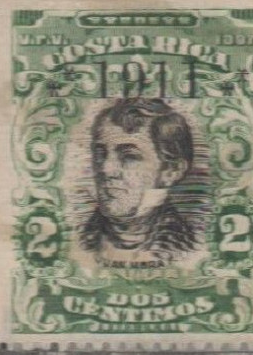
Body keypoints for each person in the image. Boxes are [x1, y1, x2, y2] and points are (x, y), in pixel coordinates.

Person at [79, 98, 205, 270]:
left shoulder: (189, 247)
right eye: (100, 154)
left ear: (171, 170)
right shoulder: (81, 240)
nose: (106, 169)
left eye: (129, 156)